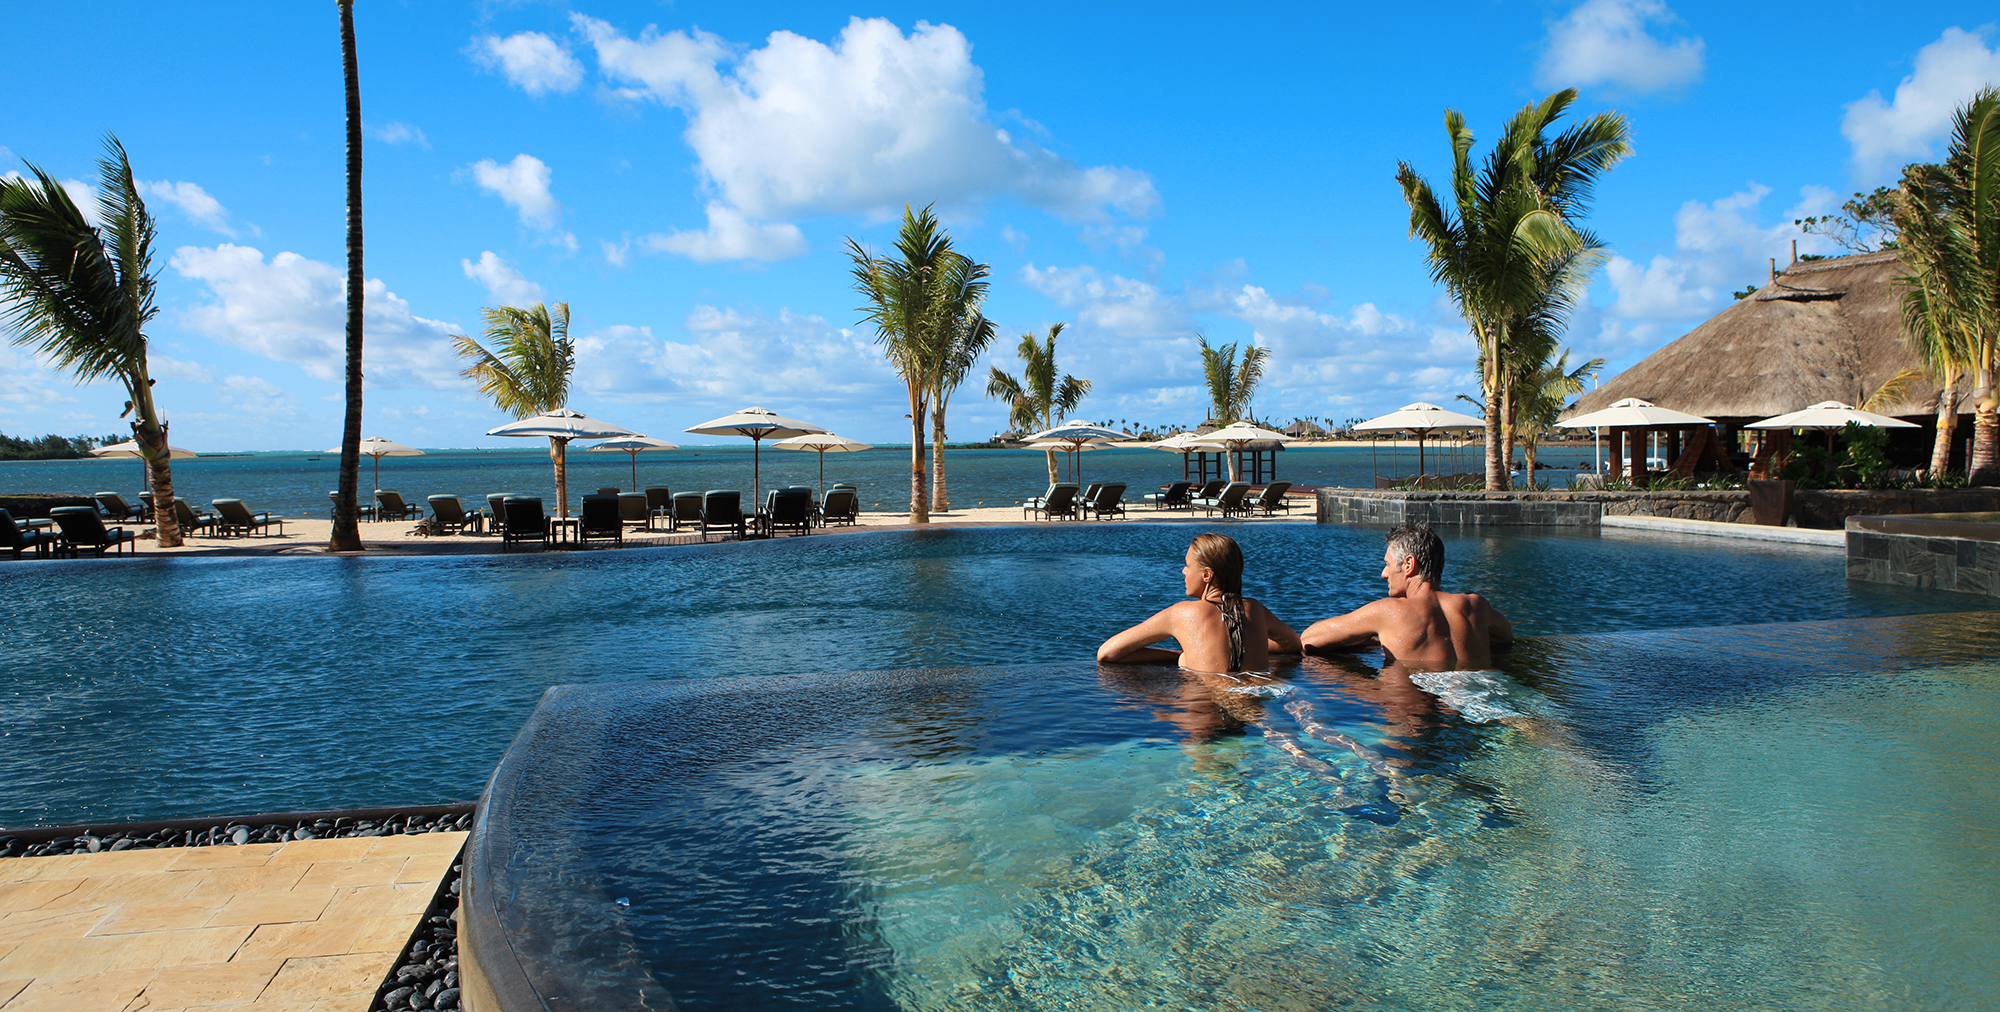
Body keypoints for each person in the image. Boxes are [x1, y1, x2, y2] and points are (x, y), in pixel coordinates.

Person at [1300, 521, 1511, 671]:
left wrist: (1368, 638)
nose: (1383, 574)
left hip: (1431, 702)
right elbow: (1505, 637)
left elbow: (1309, 639)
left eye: (1388, 564)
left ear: (1409, 565)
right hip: (1487, 693)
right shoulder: (1475, 604)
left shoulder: (1391, 611)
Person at [1097, 532, 1301, 673]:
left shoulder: (1182, 613)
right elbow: (1293, 644)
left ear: (1206, 575)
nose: (1183, 571)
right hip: (1258, 695)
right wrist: (1250, 645)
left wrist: (1183, 655)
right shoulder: (1255, 609)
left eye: (1187, 565)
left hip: (1208, 700)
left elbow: (1107, 653)